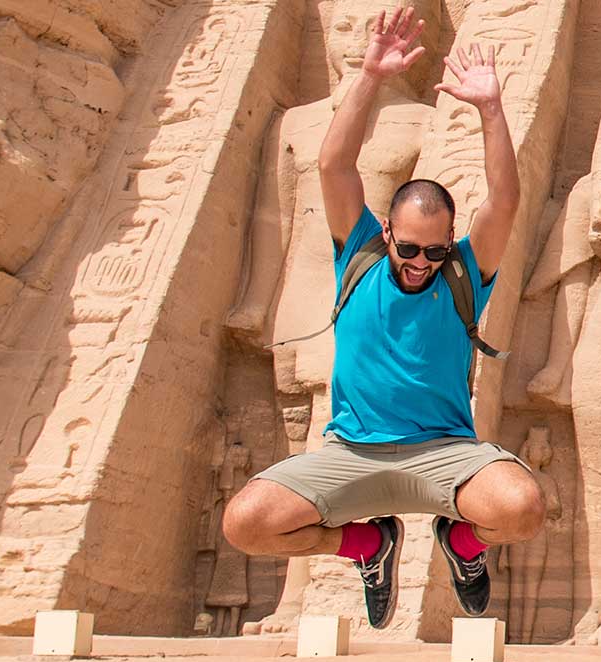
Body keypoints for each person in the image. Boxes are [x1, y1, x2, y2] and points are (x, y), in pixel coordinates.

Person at [217, 8, 546, 629]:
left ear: (450, 241)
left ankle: (462, 543)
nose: (421, 262)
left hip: (442, 452)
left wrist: (491, 108)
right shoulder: (360, 255)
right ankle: (369, 543)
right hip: (353, 453)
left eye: (435, 250)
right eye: (410, 248)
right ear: (388, 231)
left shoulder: (462, 274)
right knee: (246, 524)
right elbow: (334, 166)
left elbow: (505, 200)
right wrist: (369, 75)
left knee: (523, 509)